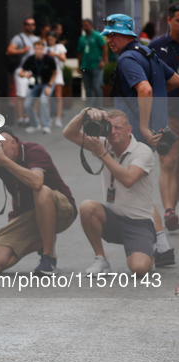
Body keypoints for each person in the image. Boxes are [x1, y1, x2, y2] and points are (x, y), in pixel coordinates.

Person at [103, 13, 179, 266]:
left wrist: (144, 126)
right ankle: (163, 247)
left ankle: (160, 246)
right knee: (139, 191)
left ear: (127, 34)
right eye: (107, 35)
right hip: (150, 133)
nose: (109, 40)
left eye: (113, 34)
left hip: (132, 135)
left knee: (134, 194)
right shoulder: (149, 53)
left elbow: (144, 89)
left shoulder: (127, 58)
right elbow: (174, 82)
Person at [0, 128, 77, 276]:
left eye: (2, 145)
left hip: (60, 210)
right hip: (26, 217)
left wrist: (3, 161)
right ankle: (40, 242)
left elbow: (37, 183)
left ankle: (48, 256)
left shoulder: (33, 151)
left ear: (14, 142)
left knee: (42, 191)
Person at [63, 108, 157, 276]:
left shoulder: (143, 151)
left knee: (139, 269)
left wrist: (103, 154)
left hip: (139, 223)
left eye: (118, 128)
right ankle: (101, 260)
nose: (113, 132)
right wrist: (85, 112)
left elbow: (128, 180)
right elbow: (69, 133)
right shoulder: (104, 144)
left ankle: (150, 252)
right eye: (109, 127)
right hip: (112, 219)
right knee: (87, 207)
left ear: (129, 130)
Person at [149, 2, 179, 231]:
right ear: (169, 20)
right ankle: (169, 211)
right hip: (167, 113)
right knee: (168, 162)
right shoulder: (156, 47)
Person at [6, 17, 40, 127]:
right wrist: (22, 50)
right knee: (21, 95)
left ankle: (31, 117)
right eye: (28, 24)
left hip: (33, 70)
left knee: (33, 94)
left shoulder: (36, 39)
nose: (30, 26)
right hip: (21, 69)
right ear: (24, 26)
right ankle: (21, 118)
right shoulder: (18, 38)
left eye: (32, 24)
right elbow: (10, 50)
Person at [20, 41, 57, 134]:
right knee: (27, 104)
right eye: (36, 48)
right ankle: (35, 124)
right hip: (35, 84)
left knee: (43, 100)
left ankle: (46, 125)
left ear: (43, 49)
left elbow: (55, 73)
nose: (38, 51)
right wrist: (25, 75)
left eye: (40, 48)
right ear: (34, 49)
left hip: (47, 83)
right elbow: (21, 72)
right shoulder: (30, 59)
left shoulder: (49, 59)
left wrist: (49, 86)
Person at [77, 19, 107, 109]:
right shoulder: (82, 38)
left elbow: (104, 48)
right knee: (88, 88)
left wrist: (103, 60)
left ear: (91, 25)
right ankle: (89, 107)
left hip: (96, 65)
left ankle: (99, 106)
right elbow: (79, 52)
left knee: (96, 86)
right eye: (83, 25)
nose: (85, 27)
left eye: (86, 25)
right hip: (86, 66)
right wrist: (79, 65)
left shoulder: (97, 36)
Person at [46, 32, 67, 127]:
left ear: (55, 39)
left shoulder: (60, 47)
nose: (50, 41)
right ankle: (49, 117)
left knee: (58, 96)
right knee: (48, 96)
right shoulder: (45, 47)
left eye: (52, 39)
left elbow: (63, 59)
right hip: (48, 74)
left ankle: (58, 118)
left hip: (57, 72)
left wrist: (55, 54)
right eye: (48, 39)